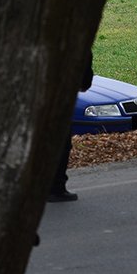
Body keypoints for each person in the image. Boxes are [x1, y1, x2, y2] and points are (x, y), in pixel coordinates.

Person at [48, 51, 94, 202]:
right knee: (60, 142)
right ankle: (55, 187)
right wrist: (84, 81)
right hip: (59, 93)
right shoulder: (73, 36)